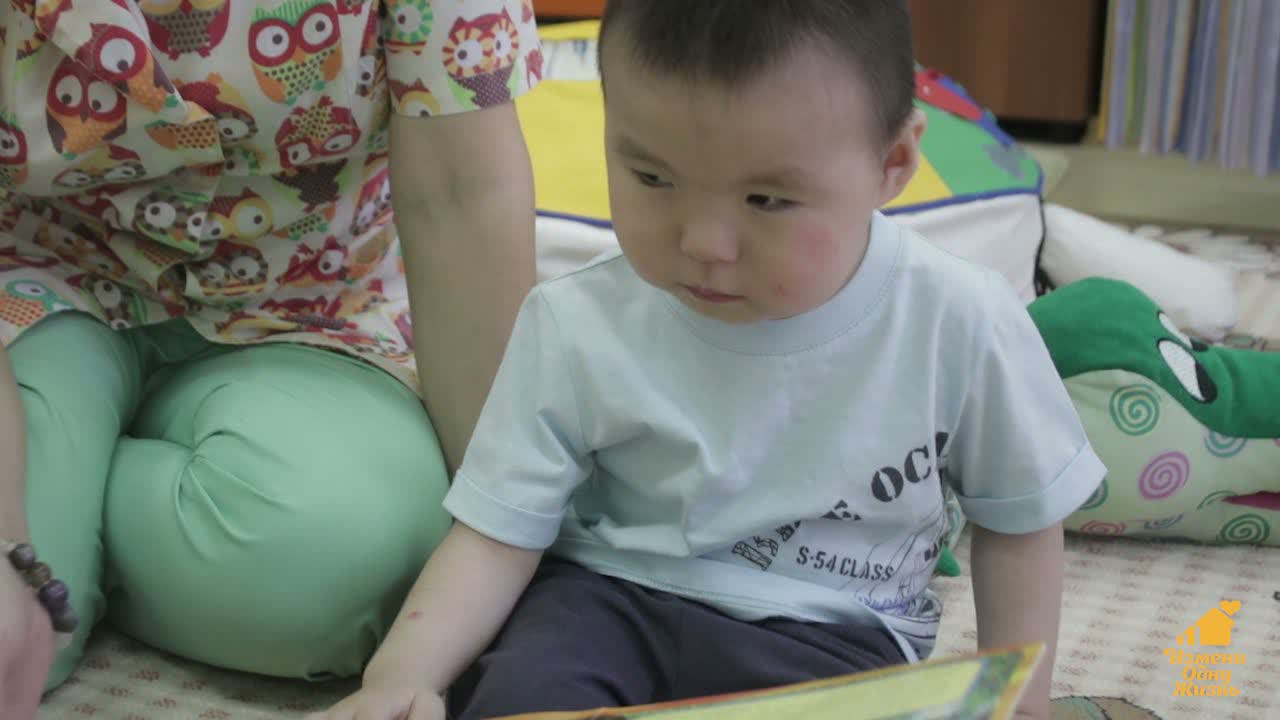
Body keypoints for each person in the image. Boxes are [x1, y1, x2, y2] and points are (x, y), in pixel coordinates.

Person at [313, 2, 1106, 719]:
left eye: (767, 200)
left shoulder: (958, 320)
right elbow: (498, 531)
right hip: (605, 597)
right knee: (518, 695)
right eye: (652, 177)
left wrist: (1022, 704)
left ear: (892, 165)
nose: (703, 243)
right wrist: (401, 676)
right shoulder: (574, 319)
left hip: (833, 629)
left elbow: (1020, 522)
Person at [0, 1, 543, 717]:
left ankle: (74, 498)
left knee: (355, 559)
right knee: (14, 625)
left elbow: (461, 195)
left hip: (312, 294)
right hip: (36, 277)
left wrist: (506, 533)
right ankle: (76, 508)